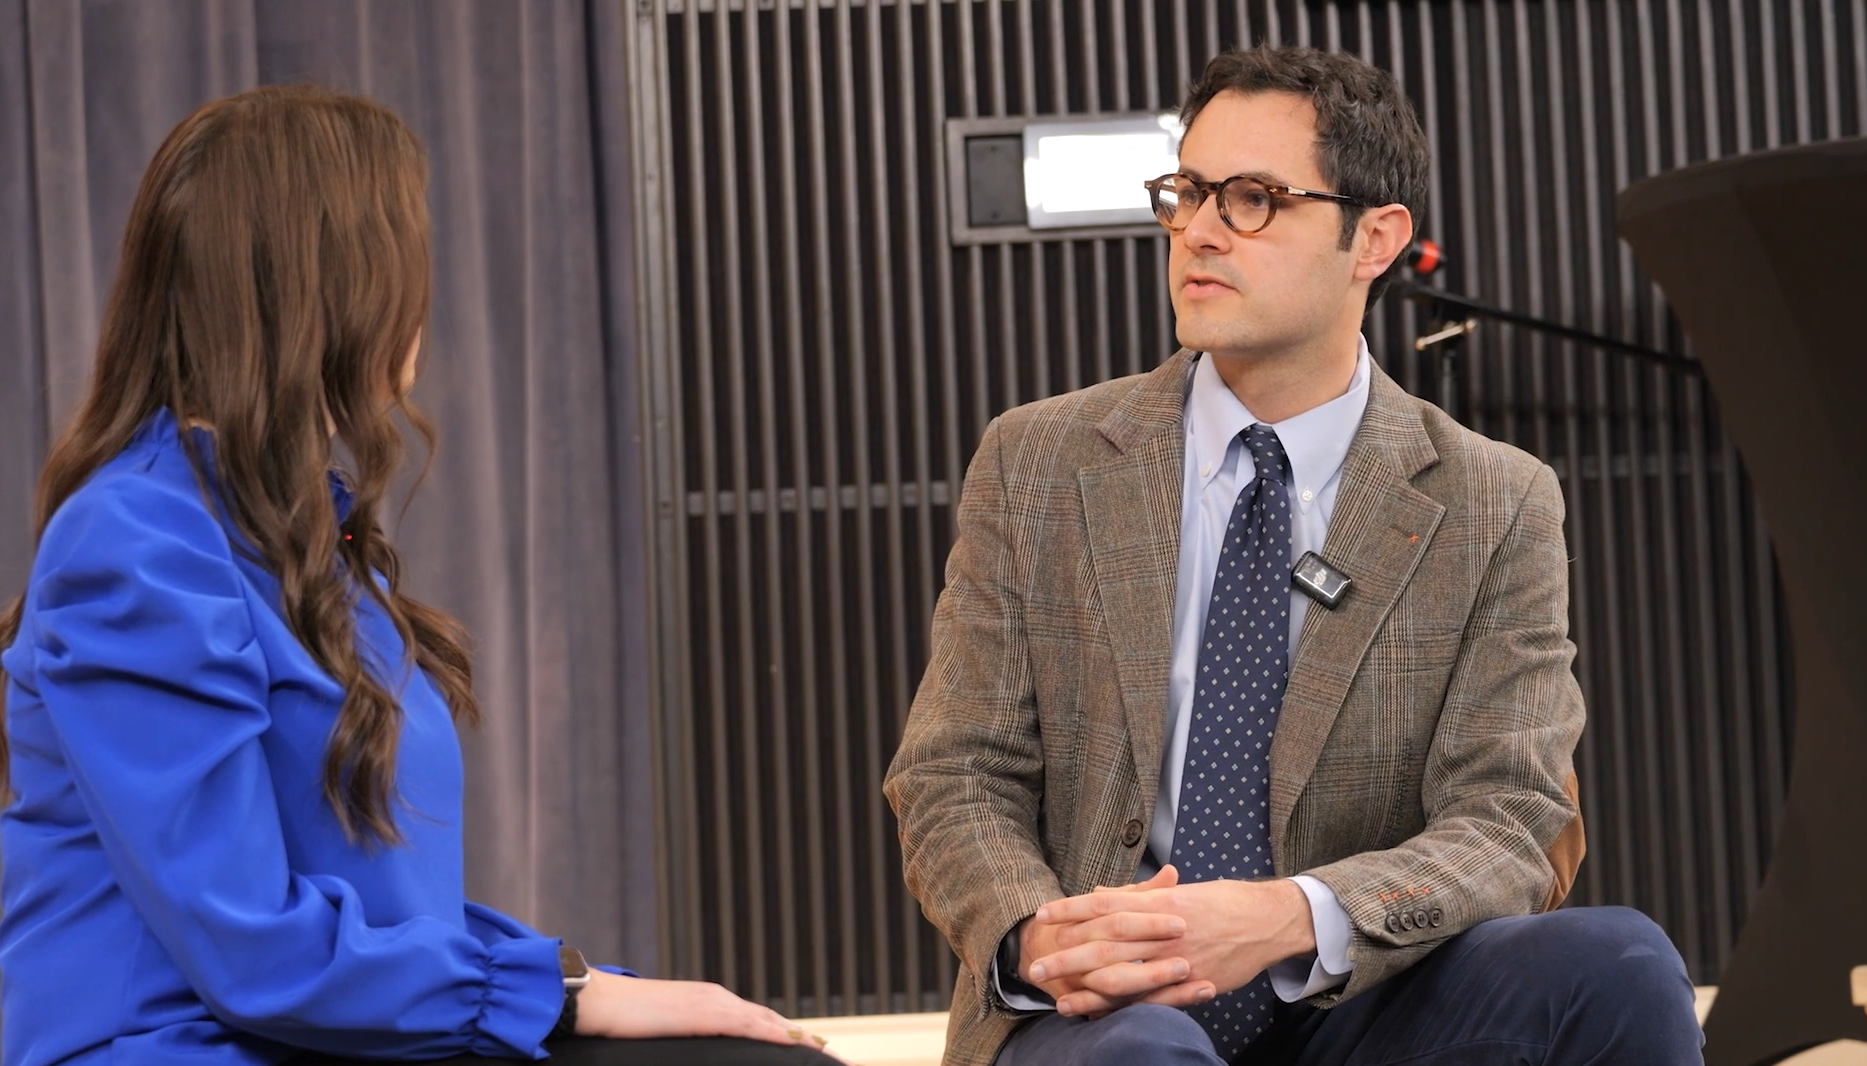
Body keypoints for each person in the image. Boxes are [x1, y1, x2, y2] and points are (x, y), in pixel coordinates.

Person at [884, 45, 1703, 1066]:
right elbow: (955, 771)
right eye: (1185, 192)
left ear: (1376, 239)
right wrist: (1040, 935)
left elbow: (1511, 816)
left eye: (1254, 198)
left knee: (1616, 961)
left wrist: (1293, 917)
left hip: (1357, 1002)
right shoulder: (1039, 460)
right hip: (1101, 1015)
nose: (1197, 230)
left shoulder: (1492, 497)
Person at [0, 85, 835, 1066]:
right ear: (334, 284)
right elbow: (250, 947)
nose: (422, 290)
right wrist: (562, 992)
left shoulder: (296, 529)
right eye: (406, 253)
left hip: (328, 1032)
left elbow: (370, 908)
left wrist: (573, 982)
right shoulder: (136, 541)